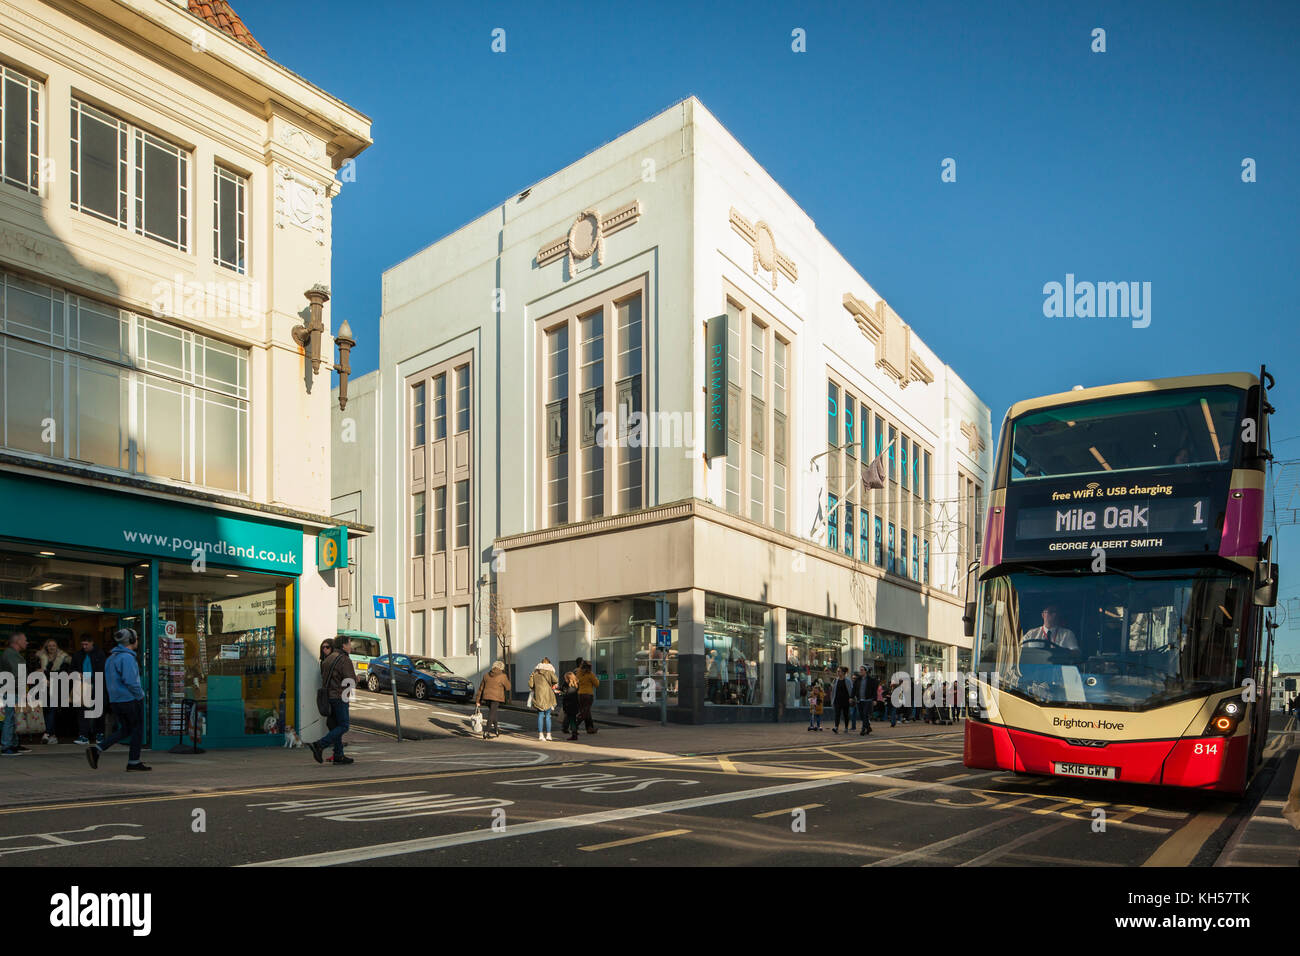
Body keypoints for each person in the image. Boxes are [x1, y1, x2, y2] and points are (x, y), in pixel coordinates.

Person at [85, 628, 149, 771]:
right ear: (131, 641)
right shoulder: (127, 658)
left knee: (126, 729)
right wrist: (140, 695)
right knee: (137, 729)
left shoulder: (111, 657)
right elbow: (131, 682)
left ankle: (97, 749)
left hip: (116, 701)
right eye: (136, 638)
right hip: (129, 699)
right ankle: (134, 762)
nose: (137, 640)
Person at [309, 634, 357, 765]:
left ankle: (338, 755)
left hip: (329, 697)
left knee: (335, 726)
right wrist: (356, 679)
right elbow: (350, 680)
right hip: (340, 697)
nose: (350, 647)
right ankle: (320, 744)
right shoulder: (344, 660)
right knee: (344, 726)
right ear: (343, 645)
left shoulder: (328, 659)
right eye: (349, 644)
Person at [71, 636, 106, 746]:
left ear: (92, 643)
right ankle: (83, 735)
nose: (84, 647)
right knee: (82, 711)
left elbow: (102, 671)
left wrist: (86, 677)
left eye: (86, 644)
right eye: (82, 644)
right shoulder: (78, 655)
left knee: (99, 711)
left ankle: (99, 734)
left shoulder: (100, 654)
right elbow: (71, 669)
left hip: (97, 684)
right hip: (82, 686)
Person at [37, 639, 71, 744]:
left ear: (57, 647)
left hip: (56, 687)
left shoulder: (63, 659)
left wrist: (49, 677)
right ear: (46, 647)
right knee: (45, 710)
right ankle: (52, 735)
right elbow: (35, 671)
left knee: (51, 710)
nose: (51, 647)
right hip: (43, 687)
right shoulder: (41, 658)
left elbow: (64, 673)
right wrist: (42, 678)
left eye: (54, 645)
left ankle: (47, 733)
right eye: (49, 646)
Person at [1, 632, 30, 756]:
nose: (27, 642)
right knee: (10, 718)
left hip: (12, 690)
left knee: (13, 718)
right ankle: (7, 746)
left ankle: (13, 744)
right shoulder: (11, 655)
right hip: (12, 691)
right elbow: (17, 675)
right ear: (17, 641)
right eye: (25, 640)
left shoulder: (13, 654)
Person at [476, 660, 511, 739]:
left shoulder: (486, 675)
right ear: (501, 668)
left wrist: (478, 701)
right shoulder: (503, 676)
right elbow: (508, 687)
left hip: (487, 697)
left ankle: (496, 730)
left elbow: (481, 689)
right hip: (496, 698)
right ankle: (486, 732)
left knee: (493, 713)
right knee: (491, 714)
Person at [529, 657, 558, 741]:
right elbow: (555, 680)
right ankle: (549, 735)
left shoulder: (535, 673)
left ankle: (540, 735)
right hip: (548, 696)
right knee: (548, 716)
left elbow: (531, 685)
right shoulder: (550, 672)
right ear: (549, 663)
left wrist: (532, 676)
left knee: (540, 715)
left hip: (539, 696)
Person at [853, 666, 877, 735]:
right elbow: (854, 689)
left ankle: (863, 729)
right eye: (860, 670)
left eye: (862, 670)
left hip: (868, 700)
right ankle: (868, 727)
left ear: (866, 671)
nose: (860, 671)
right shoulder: (858, 679)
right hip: (860, 700)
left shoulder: (871, 680)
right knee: (861, 715)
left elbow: (874, 690)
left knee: (865, 714)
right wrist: (851, 697)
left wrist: (874, 699)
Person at [576, 662, 599, 734]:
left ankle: (590, 728)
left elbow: (576, 682)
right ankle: (575, 725)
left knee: (587, 711)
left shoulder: (578, 673)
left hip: (580, 694)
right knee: (585, 712)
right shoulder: (590, 674)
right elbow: (597, 684)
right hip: (588, 695)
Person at [831, 666, 854, 734]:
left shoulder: (848, 680)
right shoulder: (835, 680)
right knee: (837, 714)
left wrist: (851, 698)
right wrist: (832, 699)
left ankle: (846, 727)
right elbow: (833, 690)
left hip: (845, 700)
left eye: (839, 671)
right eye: (837, 671)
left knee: (845, 714)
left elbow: (851, 690)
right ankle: (836, 727)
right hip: (837, 700)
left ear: (843, 672)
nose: (837, 672)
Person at [559, 670, 580, 740]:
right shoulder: (575, 685)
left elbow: (568, 696)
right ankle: (574, 733)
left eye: (565, 678)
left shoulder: (571, 687)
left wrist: (562, 693)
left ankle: (574, 735)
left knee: (572, 720)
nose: (565, 680)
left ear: (568, 679)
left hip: (570, 706)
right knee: (573, 720)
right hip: (574, 705)